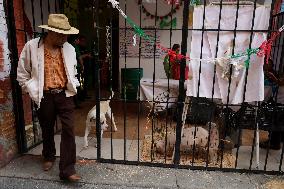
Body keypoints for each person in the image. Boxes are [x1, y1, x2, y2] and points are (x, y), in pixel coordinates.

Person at [17, 14, 81, 182]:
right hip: (44, 95)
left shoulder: (69, 49)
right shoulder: (31, 47)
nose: (65, 37)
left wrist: (74, 83)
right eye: (61, 34)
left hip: (64, 94)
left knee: (68, 129)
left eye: (66, 34)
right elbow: (22, 73)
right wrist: (30, 89)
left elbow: (72, 71)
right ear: (50, 32)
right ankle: (48, 156)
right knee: (47, 128)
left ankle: (67, 169)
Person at [260, 59, 284, 150]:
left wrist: (272, 76)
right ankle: (273, 140)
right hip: (277, 100)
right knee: (274, 122)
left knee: (276, 124)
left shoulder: (274, 74)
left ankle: (275, 143)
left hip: (280, 102)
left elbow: (280, 82)